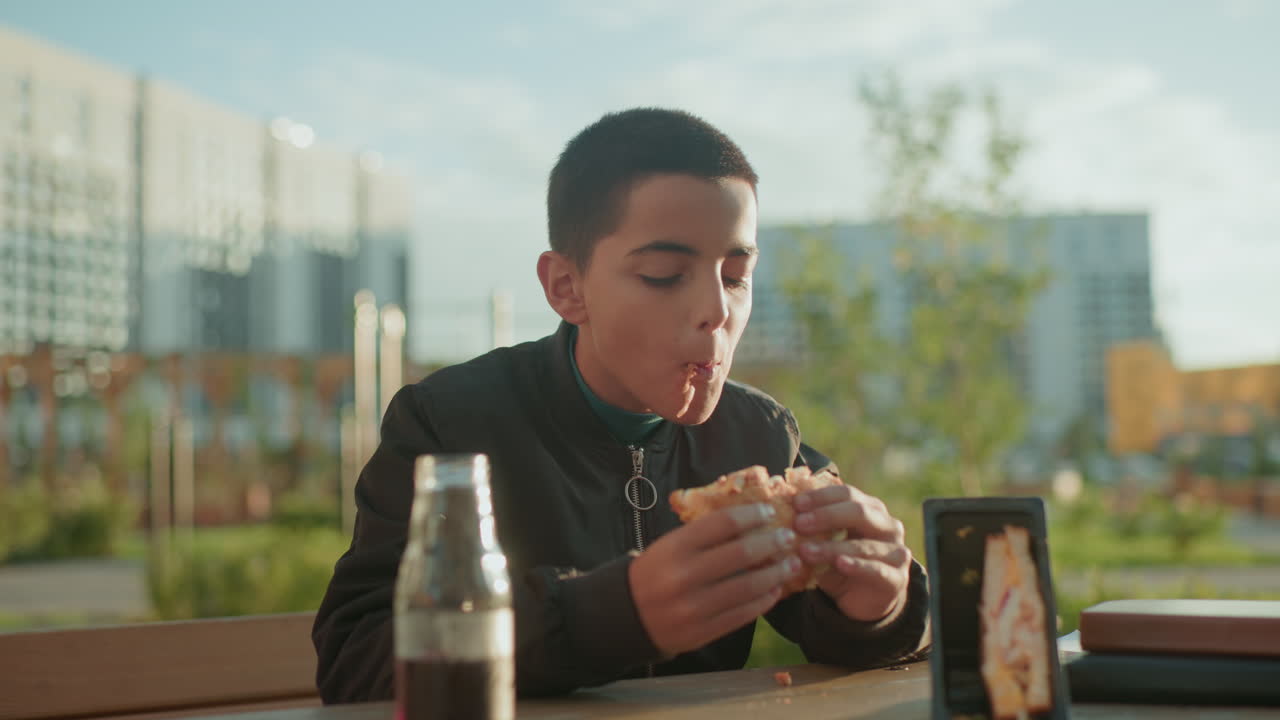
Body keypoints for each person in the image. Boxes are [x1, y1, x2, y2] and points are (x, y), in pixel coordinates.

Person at [312, 108, 931, 703]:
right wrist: (613, 613)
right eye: (664, 274)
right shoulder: (449, 425)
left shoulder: (760, 435)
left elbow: (860, 629)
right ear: (567, 287)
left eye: (736, 276)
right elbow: (357, 662)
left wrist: (882, 609)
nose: (716, 311)